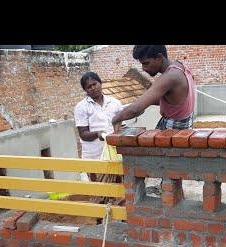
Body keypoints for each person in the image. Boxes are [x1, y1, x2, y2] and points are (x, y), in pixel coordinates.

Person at [111, 45, 196, 131]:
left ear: (159, 57)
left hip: (174, 133)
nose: (143, 68)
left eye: (146, 63)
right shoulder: (181, 67)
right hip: (183, 127)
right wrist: (146, 102)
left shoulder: (169, 77)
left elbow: (135, 109)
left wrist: (113, 120)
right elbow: (175, 101)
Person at [74, 71, 125, 210]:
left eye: (94, 84)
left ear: (100, 83)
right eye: (88, 87)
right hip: (94, 156)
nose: (93, 88)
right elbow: (83, 134)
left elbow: (120, 123)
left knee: (119, 190)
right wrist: (99, 134)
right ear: (85, 90)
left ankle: (120, 220)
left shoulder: (114, 102)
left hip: (114, 154)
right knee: (98, 195)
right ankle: (100, 223)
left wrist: (115, 132)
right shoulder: (82, 107)